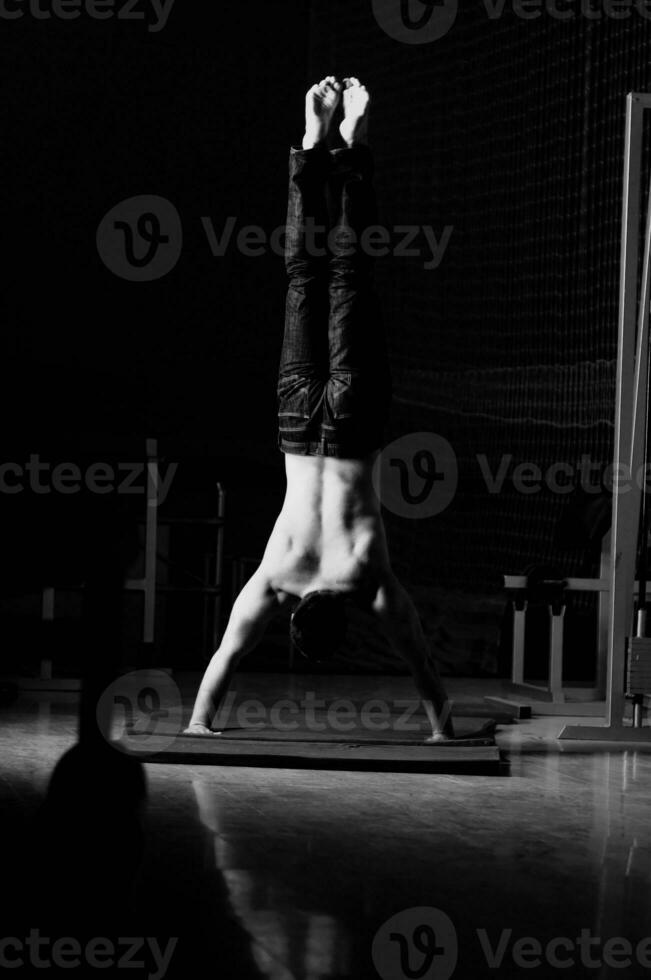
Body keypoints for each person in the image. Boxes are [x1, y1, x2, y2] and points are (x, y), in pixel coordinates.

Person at [185, 76, 454, 742]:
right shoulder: (275, 581)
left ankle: (352, 142)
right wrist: (197, 724)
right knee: (304, 279)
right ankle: (308, 146)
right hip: (297, 423)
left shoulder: (368, 582)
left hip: (354, 425)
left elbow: (421, 664)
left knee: (349, 276)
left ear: (343, 613)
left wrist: (442, 732)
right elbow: (225, 659)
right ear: (298, 610)